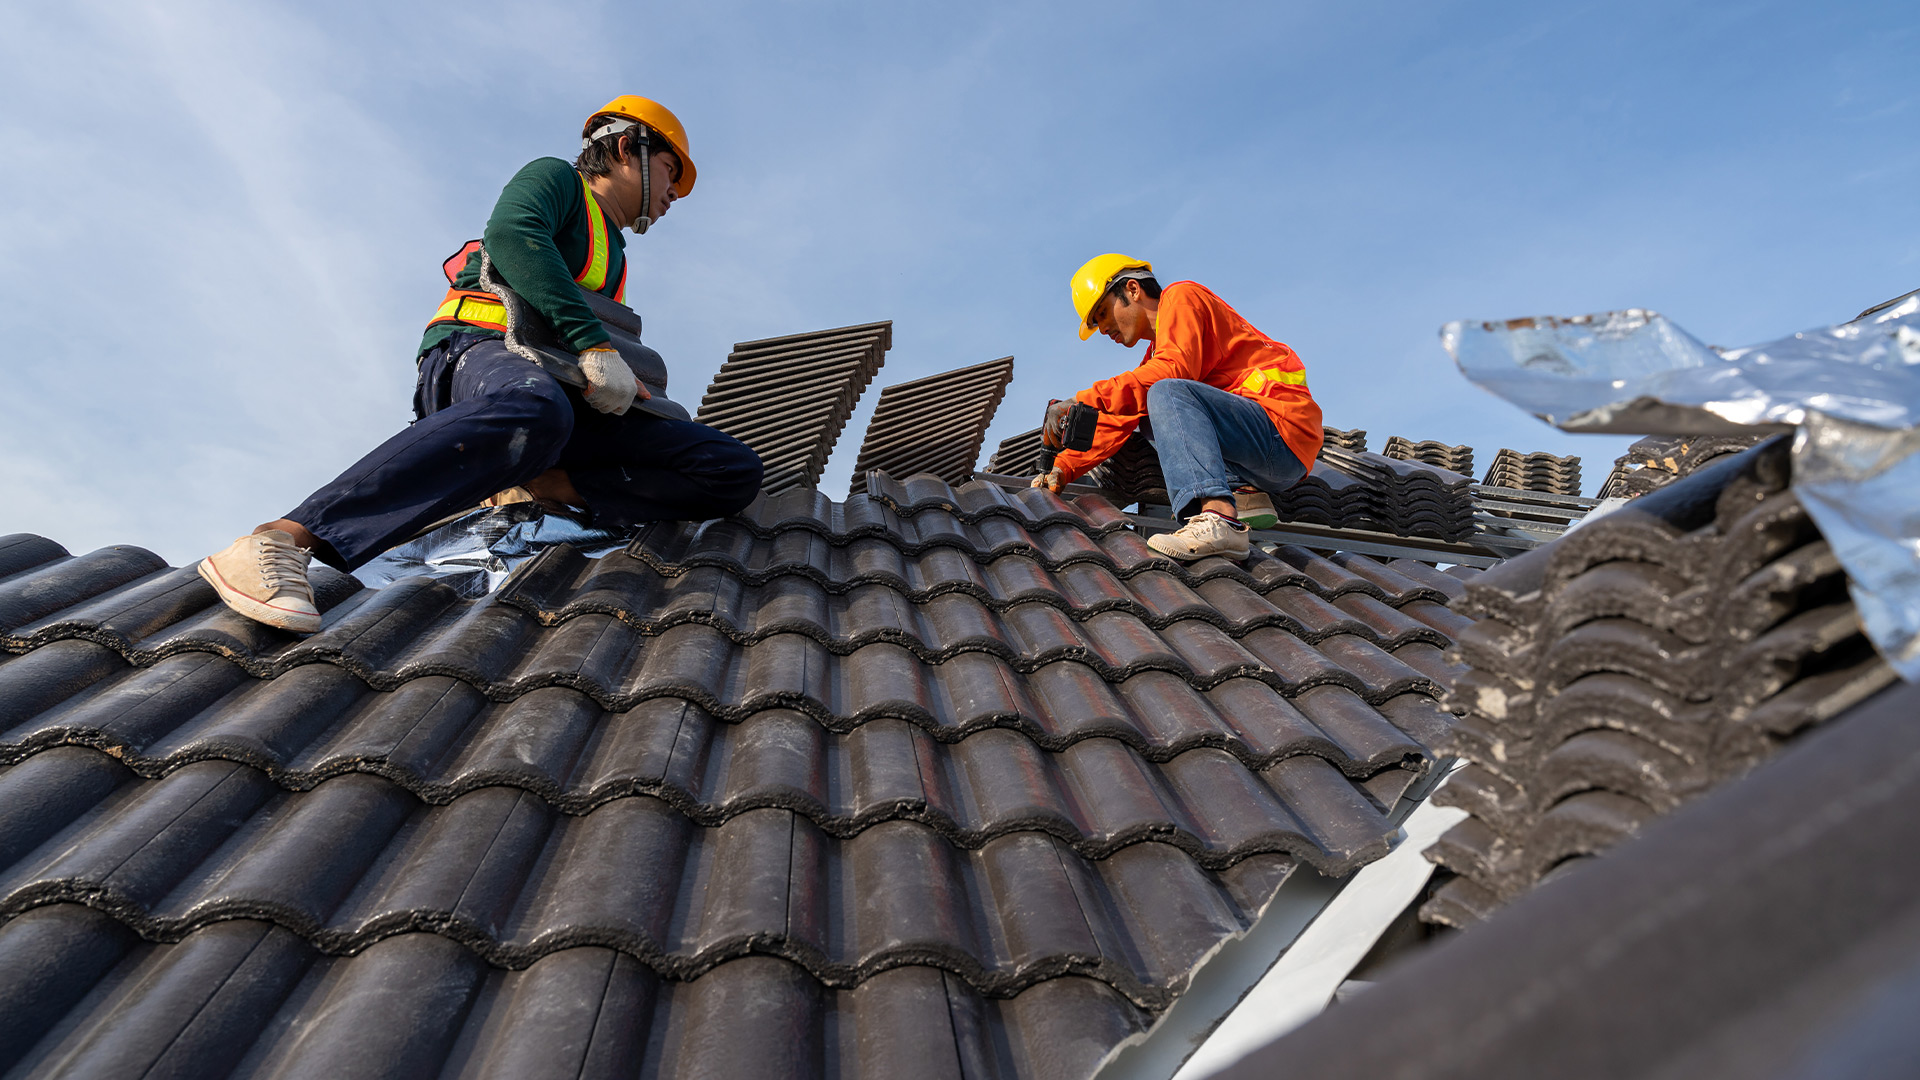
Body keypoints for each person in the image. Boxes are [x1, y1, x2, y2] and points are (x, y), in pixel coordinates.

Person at [197, 95, 763, 633]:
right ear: (625, 150)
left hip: (556, 396)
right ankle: (283, 540)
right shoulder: (556, 179)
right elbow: (512, 236)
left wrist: (616, 378)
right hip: (480, 356)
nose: (673, 193)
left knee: (727, 468)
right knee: (531, 407)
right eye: (670, 170)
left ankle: (543, 482)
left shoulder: (613, 248)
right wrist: (595, 347)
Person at [1034, 254, 1322, 561]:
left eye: (1103, 313)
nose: (1103, 328)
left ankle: (1219, 518)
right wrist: (1063, 467)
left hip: (1281, 430)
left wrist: (1085, 399)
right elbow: (1119, 419)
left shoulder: (1182, 297)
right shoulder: (1157, 355)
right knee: (1152, 405)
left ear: (1132, 289)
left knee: (1163, 393)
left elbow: (1173, 372)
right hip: (1265, 452)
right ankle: (1244, 495)